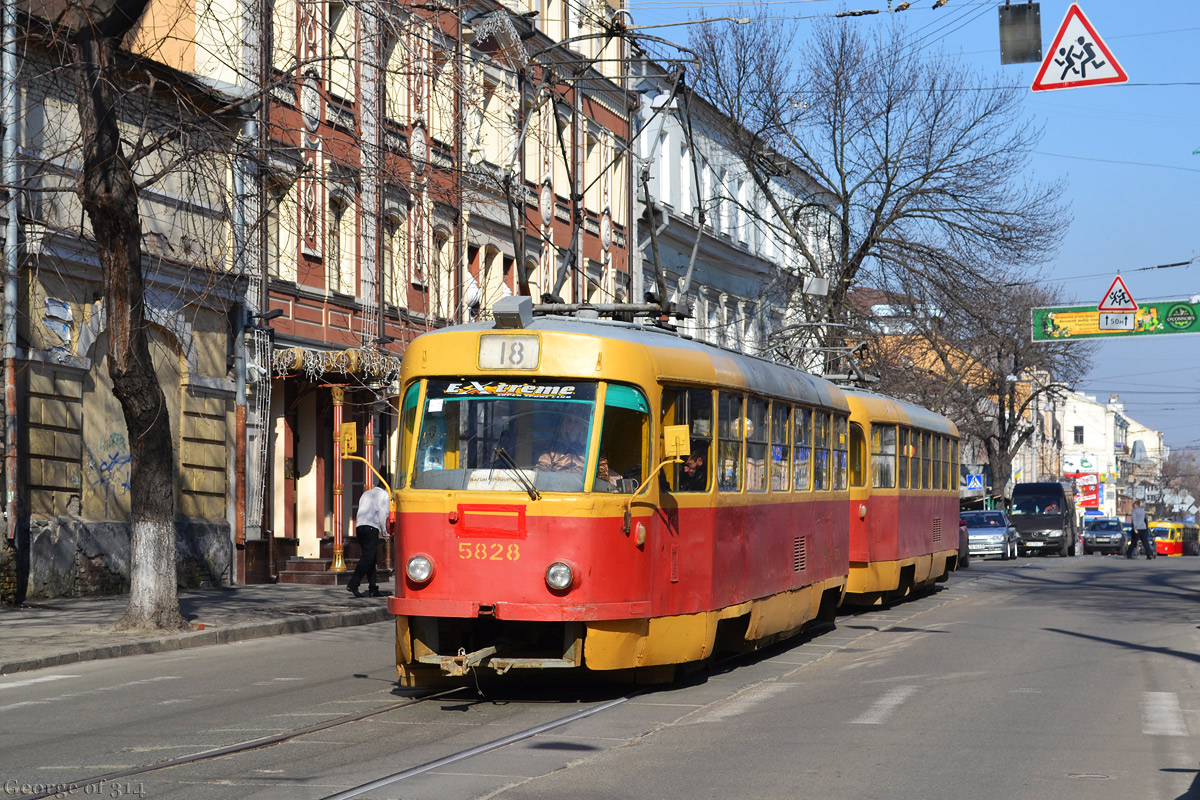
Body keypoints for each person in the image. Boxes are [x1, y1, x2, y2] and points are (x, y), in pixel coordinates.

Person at [348, 469, 392, 597]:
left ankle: (373, 588)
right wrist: (386, 532)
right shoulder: (383, 495)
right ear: (385, 489)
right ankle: (353, 583)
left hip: (360, 527)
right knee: (368, 557)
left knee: (371, 558)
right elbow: (383, 514)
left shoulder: (366, 494)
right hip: (371, 528)